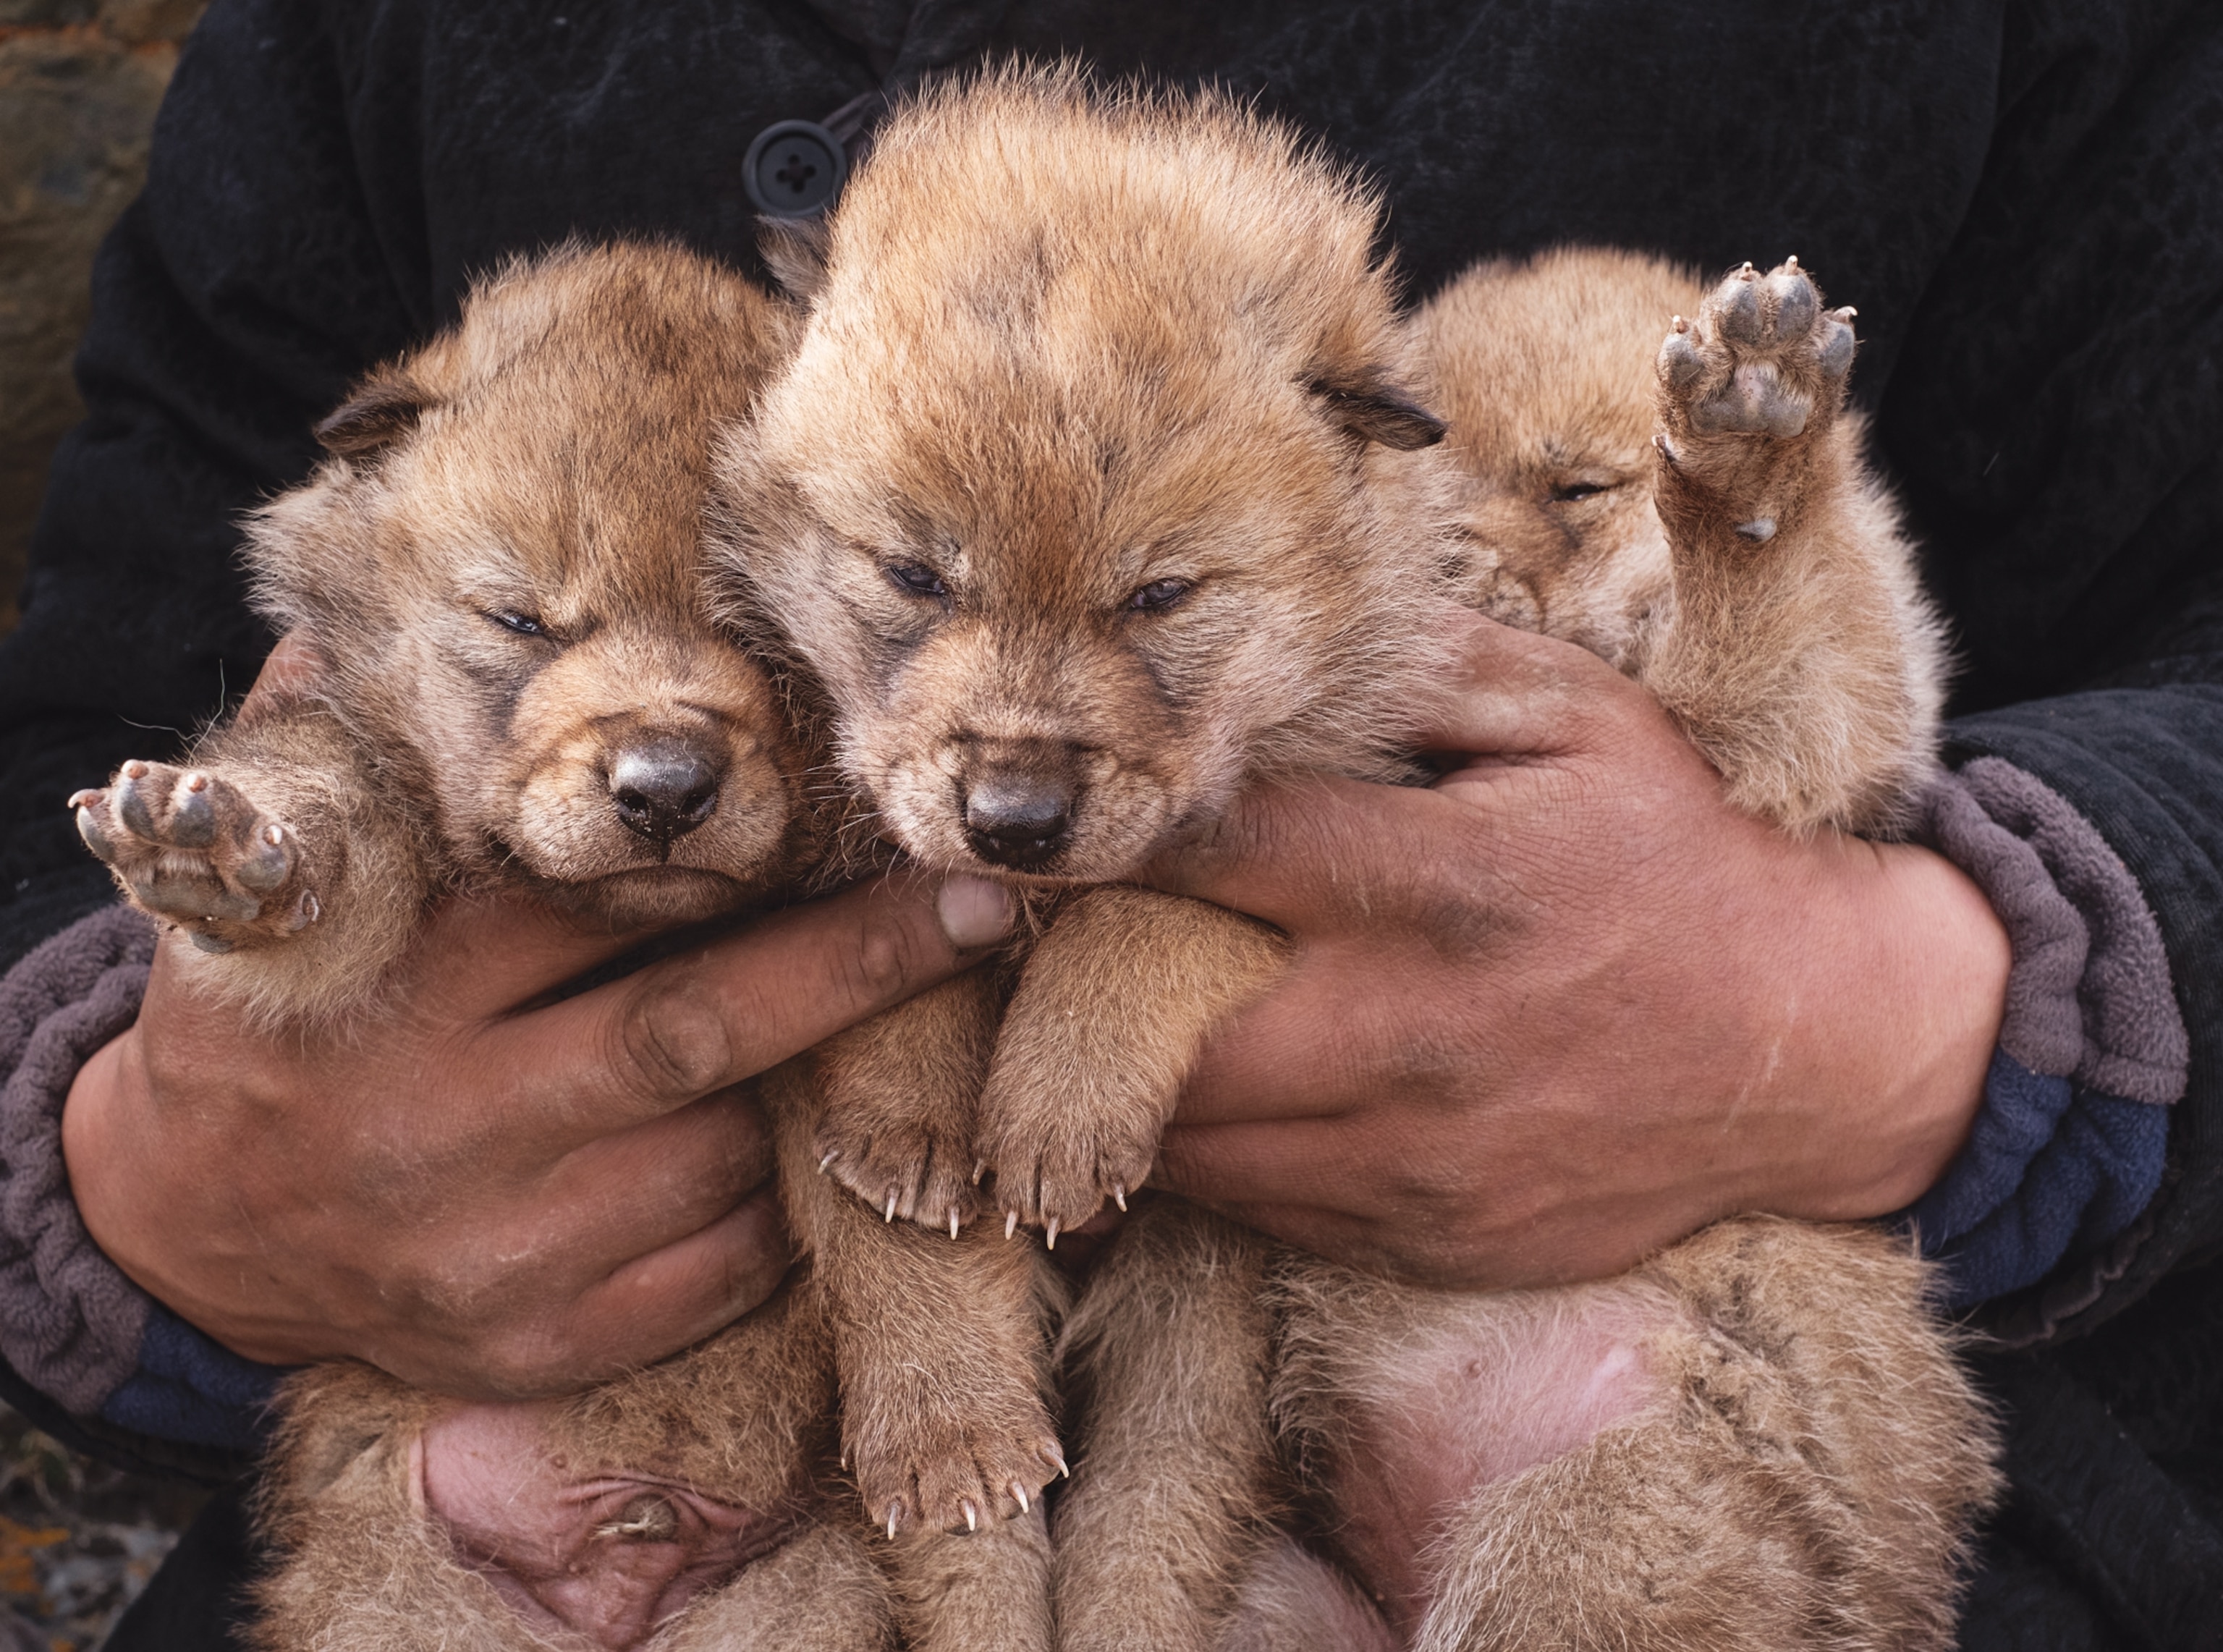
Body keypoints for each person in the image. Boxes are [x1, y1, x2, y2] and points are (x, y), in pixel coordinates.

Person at [0, 2, 2214, 1646]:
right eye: (905, 581)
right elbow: (106, 703)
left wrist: (1937, 1003)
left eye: (1165, 601)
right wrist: (135, 1176)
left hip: (1681, 1416)